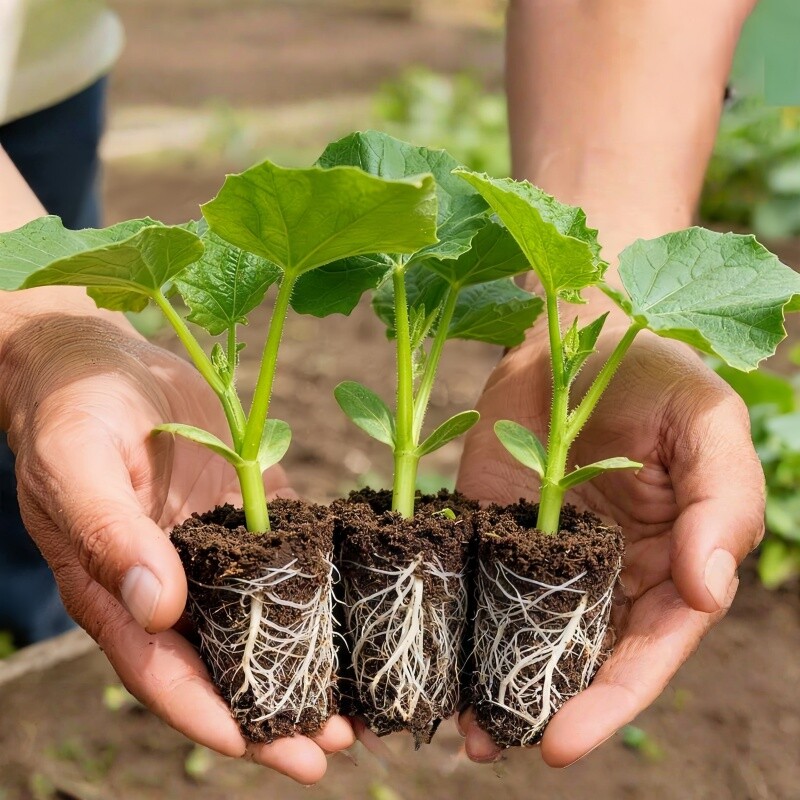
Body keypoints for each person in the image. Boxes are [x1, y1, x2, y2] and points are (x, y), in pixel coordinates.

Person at [0, 0, 766, 786]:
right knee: (59, 458)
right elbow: (23, 275)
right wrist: (41, 332)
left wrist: (593, 312)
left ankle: (34, 633)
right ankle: (33, 665)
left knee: (63, 481)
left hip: (51, 70)